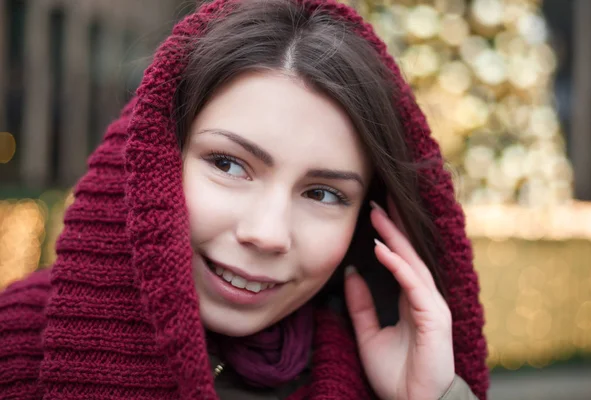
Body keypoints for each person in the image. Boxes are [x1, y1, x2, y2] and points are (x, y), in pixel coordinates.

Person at [0, 0, 488, 399]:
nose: (267, 233)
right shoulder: (14, 351)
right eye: (229, 164)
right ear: (155, 158)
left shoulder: (382, 377)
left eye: (323, 193)